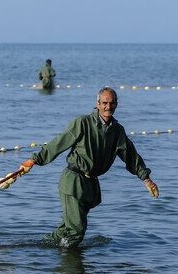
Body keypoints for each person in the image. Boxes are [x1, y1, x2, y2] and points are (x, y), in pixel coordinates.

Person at [19, 87, 159, 248]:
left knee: (66, 229)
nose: (108, 107)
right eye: (104, 103)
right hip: (73, 182)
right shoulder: (82, 123)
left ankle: (37, 250)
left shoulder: (117, 131)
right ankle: (69, 264)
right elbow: (59, 143)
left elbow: (131, 157)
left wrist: (146, 179)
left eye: (112, 103)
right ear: (97, 104)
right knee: (76, 230)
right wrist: (34, 160)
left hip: (90, 186)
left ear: (117, 105)